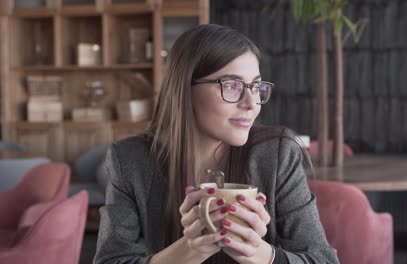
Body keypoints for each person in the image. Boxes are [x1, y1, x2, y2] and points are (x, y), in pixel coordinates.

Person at [94, 24, 339, 264]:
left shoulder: (276, 154)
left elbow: (323, 260)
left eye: (255, 86)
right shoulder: (129, 160)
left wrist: (258, 254)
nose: (251, 102)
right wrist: (190, 250)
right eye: (232, 86)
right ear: (184, 89)